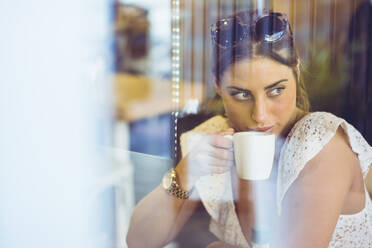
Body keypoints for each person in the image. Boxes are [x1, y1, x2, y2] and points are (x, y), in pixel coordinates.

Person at [126, 9, 372, 248]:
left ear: (296, 71)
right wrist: (185, 173)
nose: (260, 115)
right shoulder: (217, 137)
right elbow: (139, 241)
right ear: (217, 85)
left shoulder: (321, 142)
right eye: (242, 94)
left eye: (276, 90)